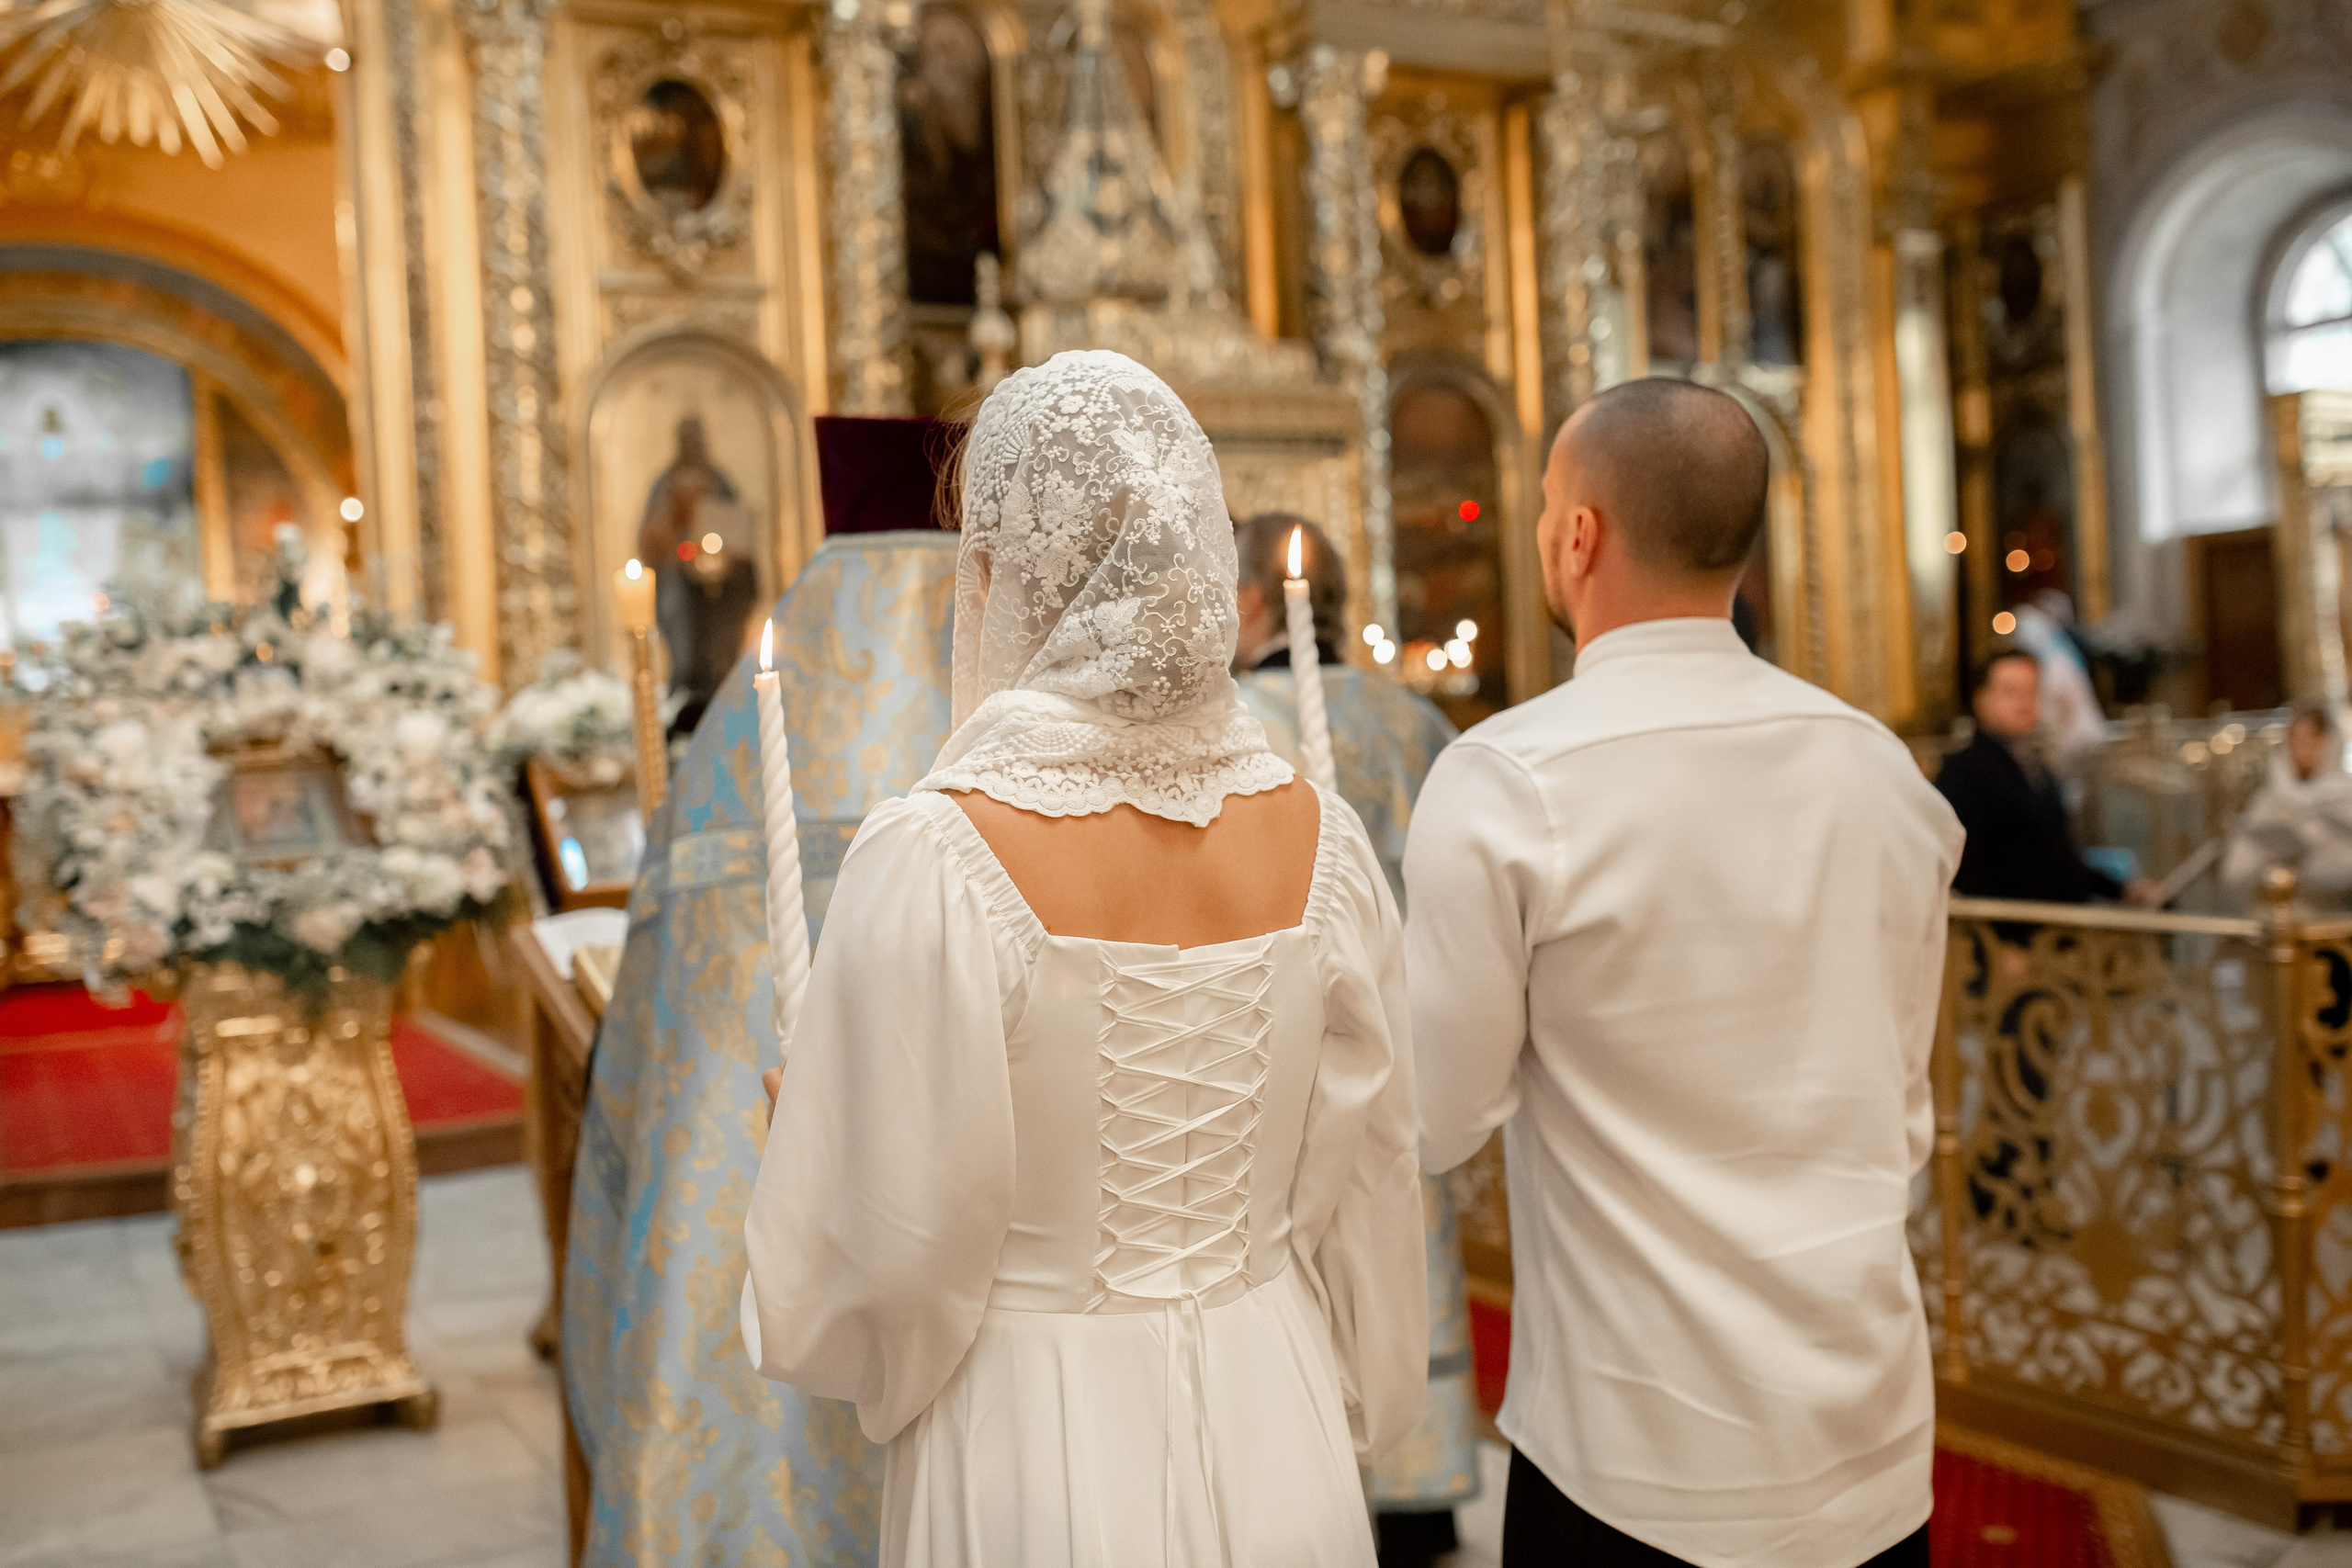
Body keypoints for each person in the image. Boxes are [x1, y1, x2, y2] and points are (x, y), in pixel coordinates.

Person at [741, 350, 1427, 1567]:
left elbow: (888, 1270)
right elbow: (1368, 1169)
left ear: (999, 577)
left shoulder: (937, 855)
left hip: (1027, 1432)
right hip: (1274, 1398)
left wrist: (820, 1141)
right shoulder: (1321, 839)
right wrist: (1359, 1388)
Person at [1406, 377, 1962, 1568]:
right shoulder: (1883, 772)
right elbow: (1902, 1104)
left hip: (1634, 1454)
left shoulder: (1507, 778)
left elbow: (1433, 1116)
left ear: (1578, 535)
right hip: (1865, 1433)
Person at [1232, 513, 1484, 1568]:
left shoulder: (1237, 723)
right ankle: (1417, 1493)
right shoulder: (1411, 718)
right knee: (1402, 1230)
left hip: (1279, 1040)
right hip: (1413, 1026)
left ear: (1251, 600)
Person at [1938, 648, 2158, 906]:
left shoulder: (2035, 766)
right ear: (1982, 699)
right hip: (2021, 923)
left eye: (2030, 692)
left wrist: (2119, 890)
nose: (2023, 703)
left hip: (2062, 915)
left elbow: (2058, 857)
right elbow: (1968, 871)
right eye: (2010, 692)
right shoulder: (1962, 772)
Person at [2222, 702, 2352, 905]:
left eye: (2313, 741)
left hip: (2336, 911)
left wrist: (2313, 858)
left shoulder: (2346, 796)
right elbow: (2235, 870)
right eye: (2298, 741)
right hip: (2277, 908)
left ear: (2330, 742)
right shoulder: (2270, 798)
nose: (2304, 751)